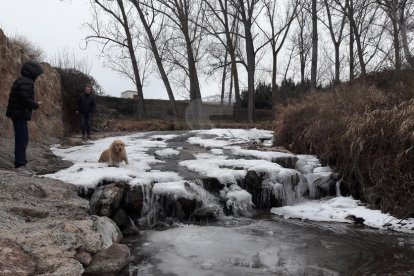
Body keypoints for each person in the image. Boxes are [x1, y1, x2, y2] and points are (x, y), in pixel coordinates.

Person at [6, 61, 44, 176]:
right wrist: (36, 104)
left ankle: (21, 164)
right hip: (19, 113)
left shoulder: (23, 80)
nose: (38, 76)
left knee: (22, 138)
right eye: (38, 73)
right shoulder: (26, 81)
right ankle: (20, 166)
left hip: (17, 113)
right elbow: (24, 98)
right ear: (32, 71)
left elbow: (23, 97)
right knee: (22, 139)